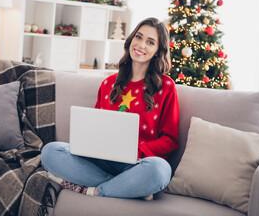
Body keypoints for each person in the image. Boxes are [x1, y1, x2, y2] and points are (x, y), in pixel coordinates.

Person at [41, 17, 179, 199]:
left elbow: (170, 140)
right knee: (50, 152)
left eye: (150, 42)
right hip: (100, 161)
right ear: (131, 40)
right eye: (138, 37)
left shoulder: (166, 87)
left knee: (160, 171)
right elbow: (96, 126)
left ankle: (97, 191)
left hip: (137, 163)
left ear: (157, 51)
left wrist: (137, 151)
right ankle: (128, 187)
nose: (141, 45)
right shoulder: (108, 84)